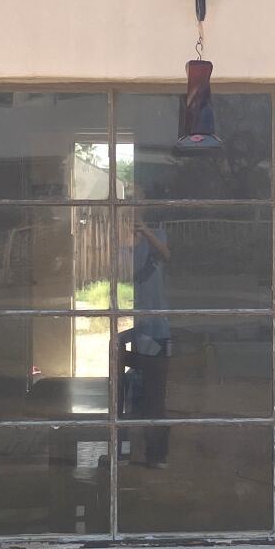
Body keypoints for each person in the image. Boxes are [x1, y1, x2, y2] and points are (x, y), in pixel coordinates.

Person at [122, 197, 172, 468]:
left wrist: (145, 233)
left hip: (157, 327)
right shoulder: (123, 243)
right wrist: (129, 240)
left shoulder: (157, 234)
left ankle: (156, 454)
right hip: (133, 328)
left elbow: (166, 255)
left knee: (156, 394)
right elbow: (121, 272)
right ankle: (128, 451)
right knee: (132, 392)